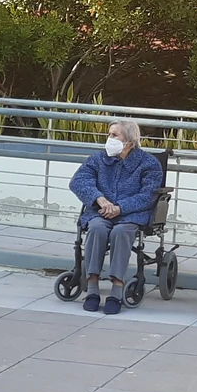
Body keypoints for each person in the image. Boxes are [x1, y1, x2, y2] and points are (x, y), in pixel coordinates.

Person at [68, 120, 164, 315]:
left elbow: (148, 195)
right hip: (100, 211)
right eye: (109, 134)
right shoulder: (98, 159)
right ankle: (92, 286)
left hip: (132, 215)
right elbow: (78, 181)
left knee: (120, 232)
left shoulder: (148, 164)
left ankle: (117, 288)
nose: (109, 139)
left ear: (129, 141)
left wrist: (120, 208)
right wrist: (100, 199)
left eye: (115, 135)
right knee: (96, 228)